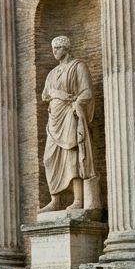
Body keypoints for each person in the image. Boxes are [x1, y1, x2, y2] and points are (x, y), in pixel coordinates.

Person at [39, 36, 97, 212]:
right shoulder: (52, 73)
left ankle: (78, 200)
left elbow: (87, 91)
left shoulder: (78, 67)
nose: (54, 51)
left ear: (66, 48)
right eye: (53, 48)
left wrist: (76, 104)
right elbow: (44, 95)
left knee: (73, 155)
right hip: (54, 119)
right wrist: (56, 94)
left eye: (57, 48)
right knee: (49, 158)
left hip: (70, 115)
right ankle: (55, 200)